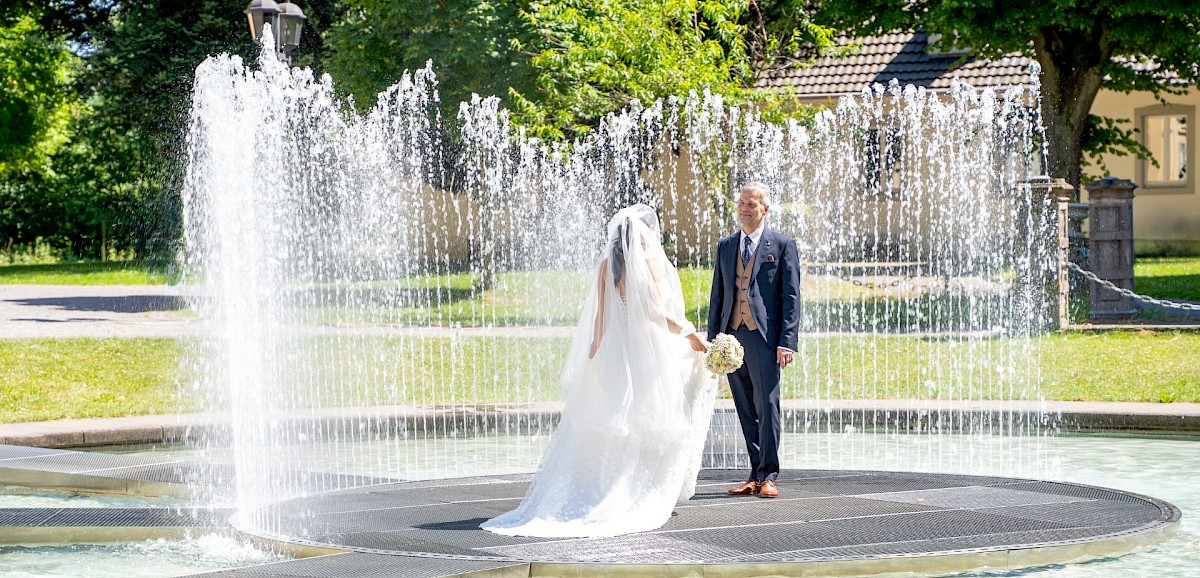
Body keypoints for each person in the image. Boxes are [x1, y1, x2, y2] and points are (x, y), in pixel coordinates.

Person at [481, 204, 715, 538]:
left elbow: (600, 320)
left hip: (617, 355)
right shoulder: (652, 266)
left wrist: (593, 355)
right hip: (648, 353)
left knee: (617, 420)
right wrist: (690, 333)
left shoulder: (607, 266)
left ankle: (607, 483)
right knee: (650, 419)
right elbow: (654, 314)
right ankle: (639, 488)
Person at [706, 182, 801, 499]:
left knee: (767, 405)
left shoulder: (782, 245)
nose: (745, 208)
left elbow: (791, 297)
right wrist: (714, 342)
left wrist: (787, 341)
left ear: (765, 209)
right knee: (745, 409)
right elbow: (717, 296)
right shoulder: (726, 245)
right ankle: (754, 474)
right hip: (732, 339)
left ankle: (769, 475)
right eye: (742, 203)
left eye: (752, 204)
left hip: (765, 340)